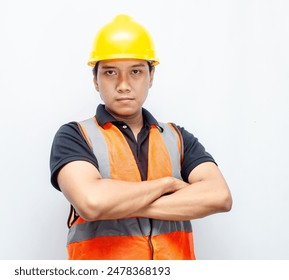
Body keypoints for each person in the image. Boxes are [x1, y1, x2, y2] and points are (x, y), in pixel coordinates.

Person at [49, 14, 232, 260]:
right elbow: (92, 203)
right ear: (95, 80)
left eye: (135, 71)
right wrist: (167, 185)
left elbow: (219, 196)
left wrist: (117, 205)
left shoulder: (177, 137)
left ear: (151, 76)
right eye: (110, 72)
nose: (123, 85)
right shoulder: (75, 136)